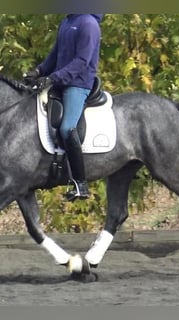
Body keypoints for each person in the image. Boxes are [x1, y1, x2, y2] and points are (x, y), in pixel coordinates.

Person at [24, 14, 103, 201]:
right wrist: (38, 71)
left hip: (78, 83)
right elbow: (55, 55)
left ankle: (80, 184)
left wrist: (52, 78)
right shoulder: (67, 22)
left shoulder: (88, 24)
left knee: (67, 128)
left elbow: (81, 62)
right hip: (60, 82)